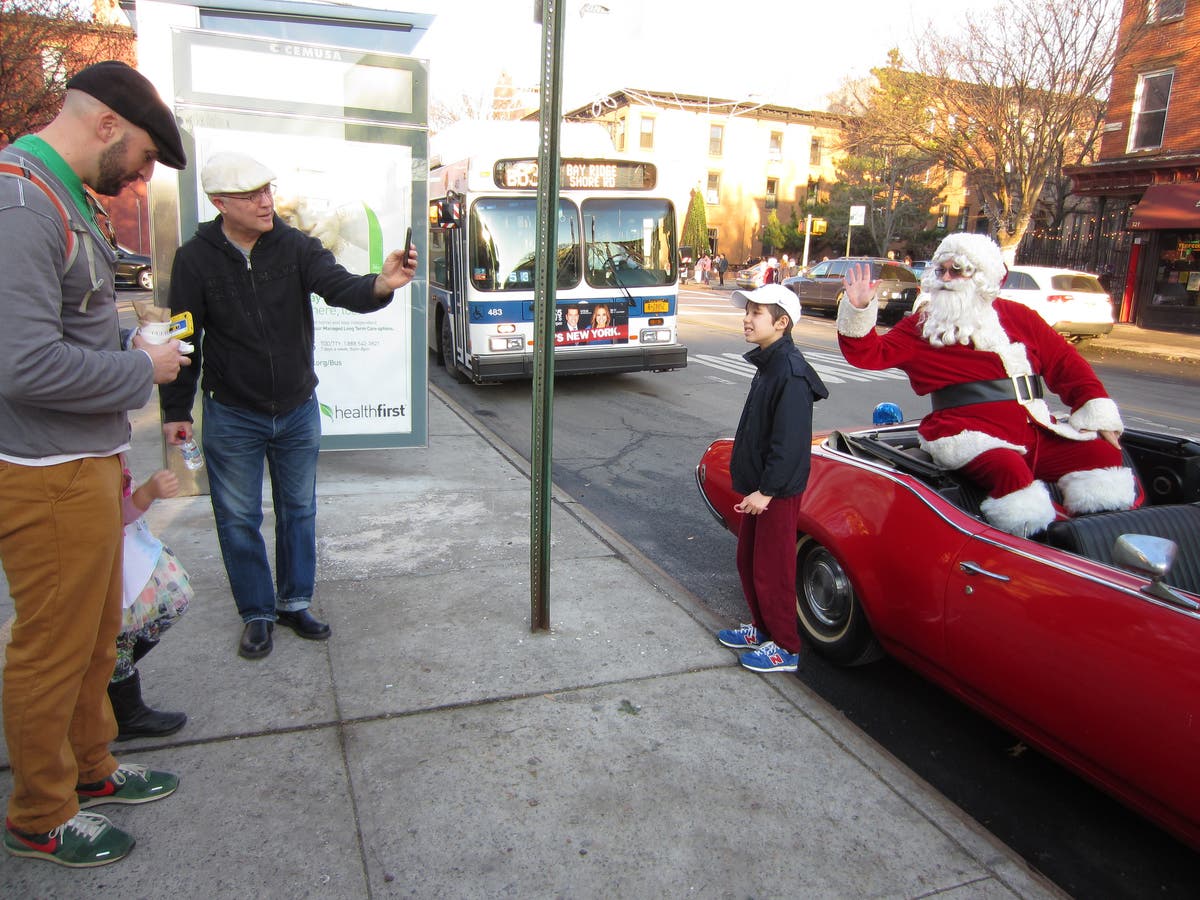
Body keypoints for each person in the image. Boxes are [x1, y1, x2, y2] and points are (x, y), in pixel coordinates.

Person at [0, 59, 189, 868]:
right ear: (107, 123)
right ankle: (41, 814)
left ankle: (92, 767)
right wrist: (139, 371)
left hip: (80, 459)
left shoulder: (61, 198)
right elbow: (21, 365)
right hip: (42, 471)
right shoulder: (20, 203)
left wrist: (124, 343)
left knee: (94, 636)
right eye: (144, 155)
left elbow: (66, 332)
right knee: (53, 645)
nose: (142, 174)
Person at [159, 152, 418, 660]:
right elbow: (184, 338)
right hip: (232, 412)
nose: (265, 201)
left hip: (298, 409)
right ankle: (257, 613)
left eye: (267, 190)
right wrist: (174, 410)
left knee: (299, 510)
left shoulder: (295, 246)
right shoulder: (195, 258)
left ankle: (294, 601)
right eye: (251, 194)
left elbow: (341, 287)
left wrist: (381, 284)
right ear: (219, 203)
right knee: (237, 517)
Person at [839, 232, 1135, 537]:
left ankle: (1100, 540)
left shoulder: (1019, 317)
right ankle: (1034, 548)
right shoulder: (924, 325)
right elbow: (870, 354)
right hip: (966, 434)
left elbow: (1065, 363)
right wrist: (859, 309)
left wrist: (1094, 408)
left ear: (982, 277)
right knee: (1009, 471)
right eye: (941, 270)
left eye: (958, 270)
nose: (947, 278)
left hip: (1033, 429)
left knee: (1102, 455)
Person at [715, 283, 828, 672]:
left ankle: (785, 646)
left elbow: (791, 443)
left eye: (756, 313)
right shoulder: (770, 362)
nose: (746, 319)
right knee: (748, 560)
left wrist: (767, 490)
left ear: (781, 322)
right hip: (759, 487)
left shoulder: (791, 372)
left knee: (773, 568)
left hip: (773, 491)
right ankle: (761, 628)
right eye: (747, 311)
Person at [110, 463, 193, 741]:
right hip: (109, 556)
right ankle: (125, 711)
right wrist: (146, 493)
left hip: (130, 547)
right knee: (116, 638)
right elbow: (113, 514)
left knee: (171, 604)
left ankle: (102, 685)